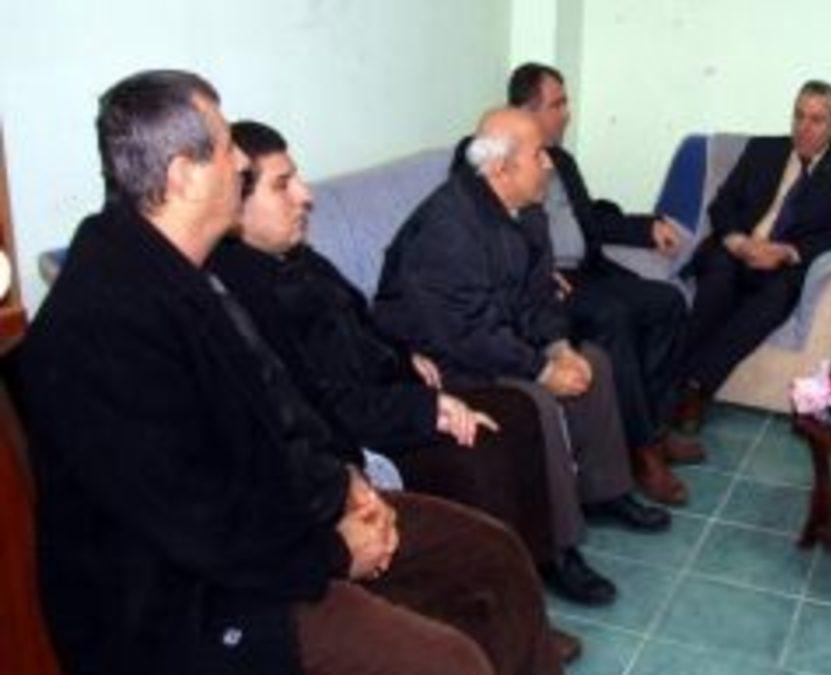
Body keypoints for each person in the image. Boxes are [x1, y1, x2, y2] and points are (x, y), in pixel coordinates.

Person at [17, 70, 561, 675]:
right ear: (182, 175)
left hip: (285, 526)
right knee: (447, 661)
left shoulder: (192, 272)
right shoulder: (103, 326)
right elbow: (200, 523)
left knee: (492, 555)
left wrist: (346, 482)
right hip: (195, 603)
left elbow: (283, 410)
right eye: (227, 147)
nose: (239, 163)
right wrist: (334, 551)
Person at [210, 119, 606, 613]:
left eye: (299, 179)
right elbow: (322, 405)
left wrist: (403, 356)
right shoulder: (246, 293)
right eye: (282, 185)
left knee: (518, 411)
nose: (305, 196)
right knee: (483, 446)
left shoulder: (297, 258)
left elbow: (363, 319)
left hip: (394, 387)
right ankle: (495, 601)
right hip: (362, 424)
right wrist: (426, 408)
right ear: (235, 202)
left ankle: (540, 564)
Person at [373, 107, 673, 585]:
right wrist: (540, 370)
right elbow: (467, 333)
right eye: (539, 155)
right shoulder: (448, 227)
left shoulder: (527, 209)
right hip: (437, 359)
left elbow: (538, 296)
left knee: (592, 361)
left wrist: (558, 348)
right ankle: (555, 548)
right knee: (534, 400)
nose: (550, 163)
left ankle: (605, 492)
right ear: (501, 168)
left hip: (494, 337)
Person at [504, 62, 703, 504]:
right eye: (558, 105)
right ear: (528, 111)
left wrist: (647, 227)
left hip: (588, 274)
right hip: (546, 289)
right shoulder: (495, 159)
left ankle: (657, 428)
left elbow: (591, 220)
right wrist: (534, 269)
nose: (567, 113)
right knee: (614, 317)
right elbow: (488, 229)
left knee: (668, 301)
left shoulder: (561, 160)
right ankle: (642, 452)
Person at [673, 80, 831, 431]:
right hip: (736, 251)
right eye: (798, 116)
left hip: (782, 267)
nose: (803, 127)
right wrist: (738, 242)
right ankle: (673, 376)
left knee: (777, 295)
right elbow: (723, 203)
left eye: (816, 120)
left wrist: (789, 252)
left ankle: (694, 386)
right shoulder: (762, 150)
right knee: (719, 273)